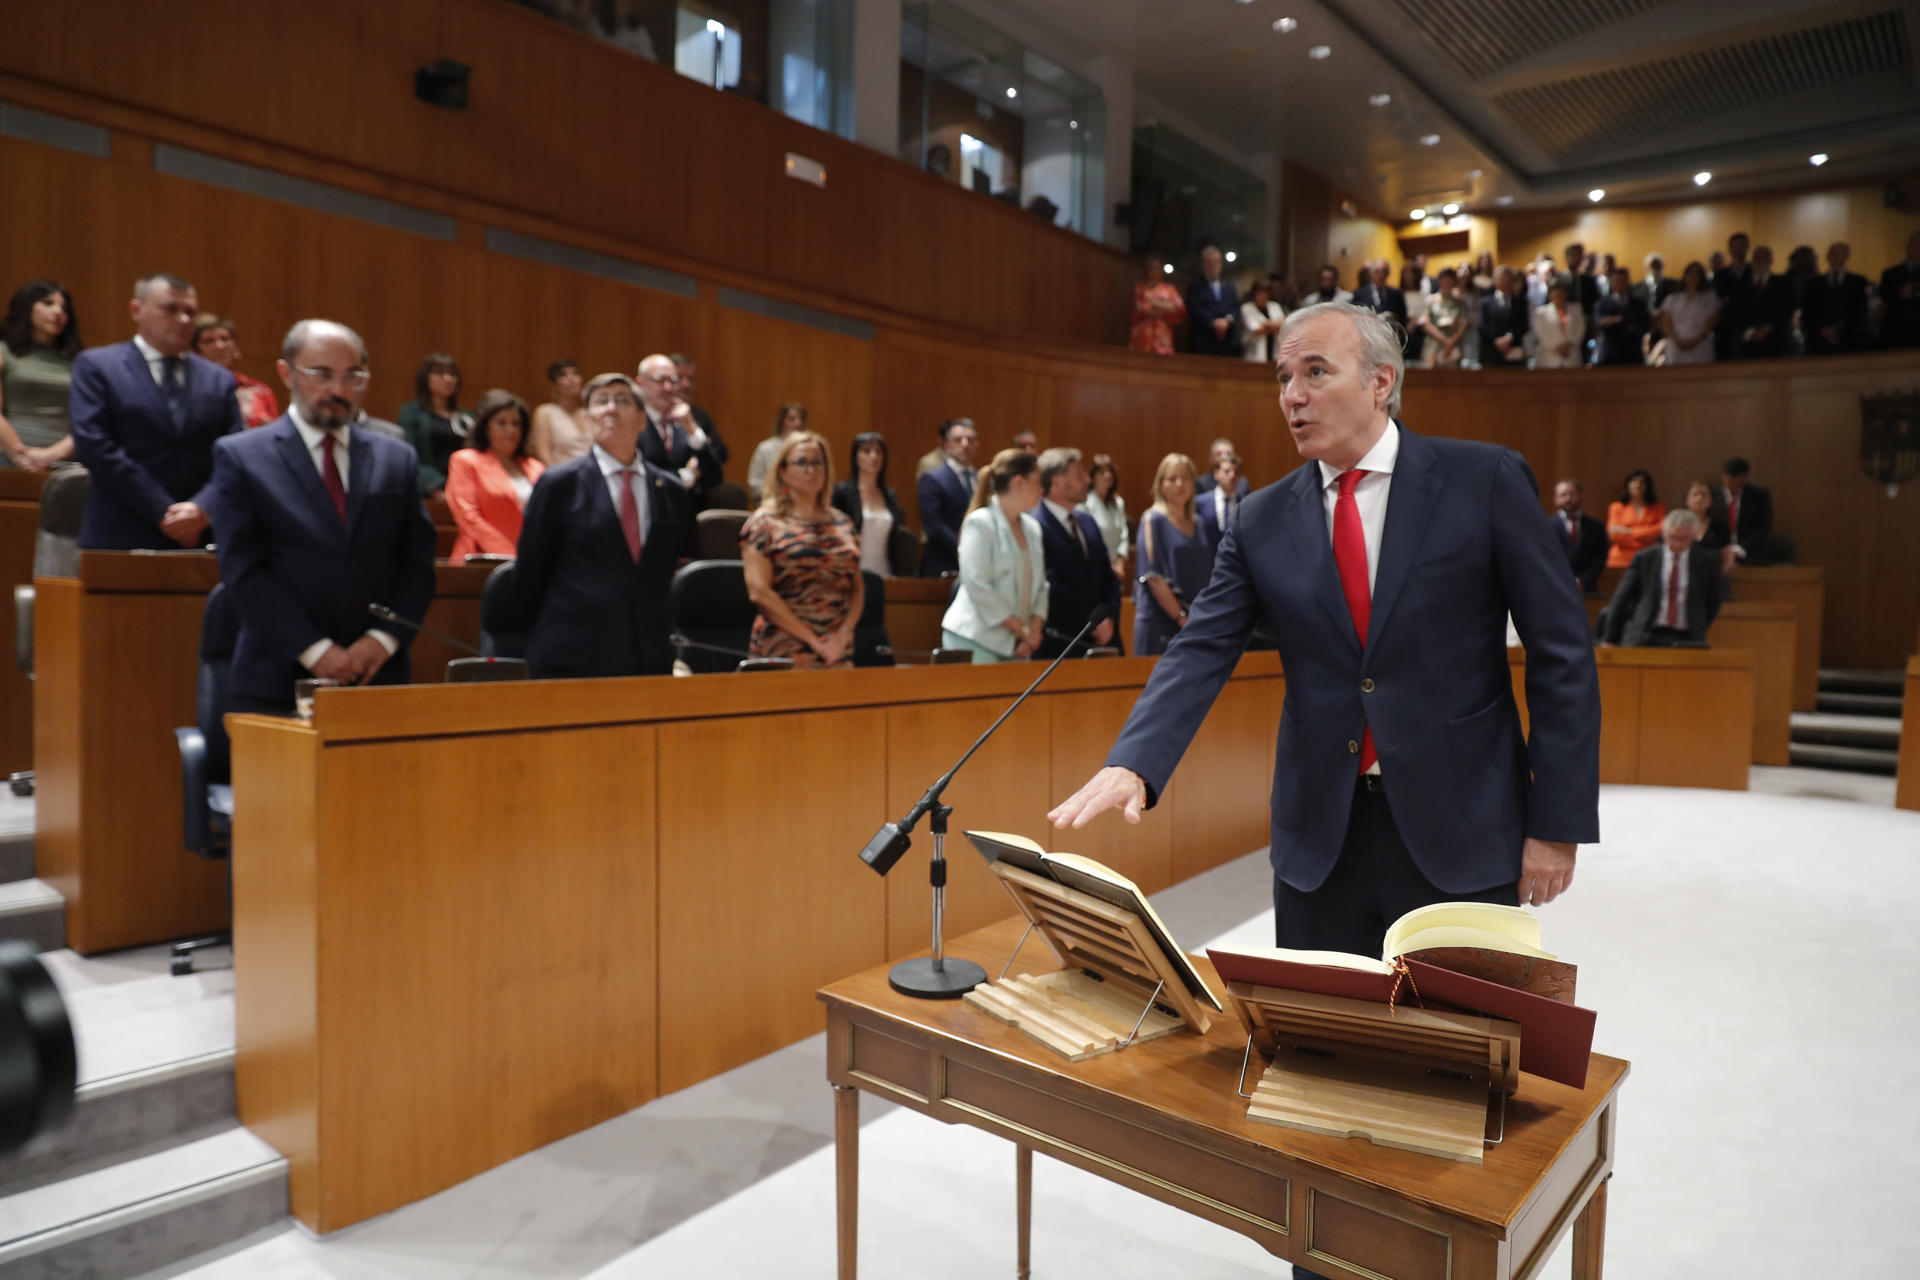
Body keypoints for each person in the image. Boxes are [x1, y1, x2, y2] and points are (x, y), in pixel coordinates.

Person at [1047, 305, 1600, 1134]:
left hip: (1463, 827)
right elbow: (1202, 648)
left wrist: (1554, 823)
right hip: (1321, 841)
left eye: (1315, 372)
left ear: (1381, 382)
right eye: (1281, 377)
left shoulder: (1483, 480)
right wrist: (1137, 759)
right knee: (1316, 1078)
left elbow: (1562, 652)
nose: (1292, 396)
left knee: (1456, 1084)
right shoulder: (1261, 519)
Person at [203, 319, 437, 714]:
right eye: (322, 375)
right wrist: (316, 650)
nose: (338, 391)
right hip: (276, 678)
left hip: (377, 676)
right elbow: (243, 570)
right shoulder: (242, 456)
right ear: (286, 373)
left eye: (353, 377)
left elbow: (417, 564)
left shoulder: (396, 456)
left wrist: (383, 640)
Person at [514, 372, 689, 679]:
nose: (611, 408)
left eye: (622, 400)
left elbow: (669, 570)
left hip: (648, 658)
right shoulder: (559, 484)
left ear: (642, 419)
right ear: (588, 418)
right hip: (572, 656)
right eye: (600, 402)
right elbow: (530, 572)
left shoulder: (670, 489)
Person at [69, 272, 243, 549]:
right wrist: (163, 510)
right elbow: (94, 445)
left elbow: (234, 454)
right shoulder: (98, 366)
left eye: (190, 312)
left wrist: (201, 509)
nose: (184, 320)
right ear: (136, 310)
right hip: (121, 530)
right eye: (171, 309)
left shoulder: (218, 379)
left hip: (200, 535)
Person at [741, 431, 862, 669]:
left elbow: (857, 588)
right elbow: (759, 592)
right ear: (782, 472)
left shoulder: (842, 523)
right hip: (784, 649)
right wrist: (814, 641)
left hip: (837, 651)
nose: (812, 470)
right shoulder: (764, 522)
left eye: (818, 462)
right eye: (802, 462)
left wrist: (845, 633)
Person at [939, 449, 1048, 662]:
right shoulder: (980, 523)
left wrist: (1033, 632)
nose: (1041, 490)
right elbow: (978, 585)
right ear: (1019, 482)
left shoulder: (1033, 528)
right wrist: (1023, 631)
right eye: (1037, 482)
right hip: (974, 638)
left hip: (1019, 644)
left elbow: (1042, 586)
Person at [1031, 447, 1119, 658]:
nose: (1088, 480)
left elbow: (1109, 578)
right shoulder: (1034, 525)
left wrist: (1110, 618)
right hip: (1060, 642)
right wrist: (1091, 623)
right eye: (1078, 474)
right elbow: (1051, 588)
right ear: (1056, 482)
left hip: (1104, 639)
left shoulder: (1088, 522)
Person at [445, 390, 546, 560]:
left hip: (531, 560)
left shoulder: (535, 467)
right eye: (501, 423)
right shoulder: (465, 461)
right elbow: (468, 517)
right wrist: (509, 556)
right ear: (486, 427)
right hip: (481, 559)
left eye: (516, 424)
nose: (510, 430)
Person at [1599, 509, 1723, 648]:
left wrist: (1698, 623)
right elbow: (1621, 598)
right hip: (1646, 634)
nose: (1677, 543)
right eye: (1672, 537)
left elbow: (1714, 600)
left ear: (1694, 536)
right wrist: (1610, 639)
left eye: (1684, 538)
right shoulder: (1645, 558)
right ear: (1664, 534)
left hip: (1688, 636)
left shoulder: (1708, 560)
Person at [1131, 452, 1212, 657]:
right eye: (1172, 478)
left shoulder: (1199, 523)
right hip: (1161, 623)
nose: (1179, 484)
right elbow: (1154, 578)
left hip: (1193, 623)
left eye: (1185, 478)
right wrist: (1181, 617)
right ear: (1161, 484)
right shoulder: (1152, 519)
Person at [0, 280, 82, 470]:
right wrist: (21, 454)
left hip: (65, 460)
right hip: (11, 459)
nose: (58, 312)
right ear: (26, 307)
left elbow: (88, 421)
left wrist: (50, 455)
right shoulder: (3, 351)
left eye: (64, 308)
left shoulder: (79, 360)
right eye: (48, 303)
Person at [635, 353, 723, 507]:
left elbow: (715, 476)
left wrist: (692, 429)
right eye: (659, 380)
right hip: (646, 511)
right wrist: (686, 477)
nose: (668, 388)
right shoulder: (632, 422)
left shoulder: (686, 420)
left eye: (673, 380)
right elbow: (640, 477)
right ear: (640, 382)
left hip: (685, 516)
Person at [830, 431, 906, 578]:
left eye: (878, 452)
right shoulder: (842, 492)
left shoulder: (890, 495)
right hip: (853, 573)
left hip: (886, 572)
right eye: (866, 451)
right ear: (856, 457)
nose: (874, 456)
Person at [396, 353, 471, 498]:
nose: (448, 379)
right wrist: (435, 488)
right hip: (429, 491)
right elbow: (408, 455)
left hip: (464, 490)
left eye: (452, 374)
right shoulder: (411, 412)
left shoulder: (466, 417)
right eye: (439, 373)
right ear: (426, 379)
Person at [191, 315, 279, 429]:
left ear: (236, 347)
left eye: (225, 339)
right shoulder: (189, 389)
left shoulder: (260, 390)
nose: (220, 346)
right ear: (196, 352)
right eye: (209, 341)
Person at [917, 416, 978, 577]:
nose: (965, 444)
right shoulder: (933, 478)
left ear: (976, 445)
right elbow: (934, 526)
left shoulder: (982, 479)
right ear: (947, 446)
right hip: (944, 564)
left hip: (978, 565)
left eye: (970, 440)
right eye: (958, 440)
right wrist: (964, 548)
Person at [667, 353, 730, 474]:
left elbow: (722, 453)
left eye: (690, 379)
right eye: (679, 378)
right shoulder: (652, 415)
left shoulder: (699, 415)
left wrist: (702, 443)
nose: (686, 385)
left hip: (698, 481)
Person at [1727, 246, 1794, 360]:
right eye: (1757, 257)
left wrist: (1767, 329)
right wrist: (1750, 332)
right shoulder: (1740, 286)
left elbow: (1786, 310)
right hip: (1745, 344)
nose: (1761, 260)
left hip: (1775, 342)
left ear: (1771, 260)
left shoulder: (1783, 283)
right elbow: (1733, 312)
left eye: (1765, 257)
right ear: (1752, 260)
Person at [1802, 242, 1868, 355]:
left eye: (1841, 254)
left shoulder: (1858, 281)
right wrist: (1823, 330)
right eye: (1834, 253)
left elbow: (1860, 311)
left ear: (1847, 256)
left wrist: (1839, 330)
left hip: (1848, 339)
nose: (1837, 257)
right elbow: (1808, 311)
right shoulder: (1814, 282)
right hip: (1818, 341)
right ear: (1827, 256)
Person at [527, 359, 593, 466]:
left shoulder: (590, 413)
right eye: (563, 375)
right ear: (554, 385)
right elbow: (543, 454)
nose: (571, 379)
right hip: (561, 476)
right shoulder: (545, 412)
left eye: (575, 374)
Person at [1552, 479, 1608, 593]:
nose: (1568, 499)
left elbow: (1600, 557)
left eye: (1572, 494)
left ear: (1580, 495)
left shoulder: (1596, 526)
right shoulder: (1545, 526)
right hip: (1555, 587)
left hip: (1587, 589)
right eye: (1563, 495)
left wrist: (1583, 581)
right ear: (1555, 499)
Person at [1719, 456, 1776, 567]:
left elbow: (1763, 527)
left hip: (1749, 552)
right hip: (1720, 553)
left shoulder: (1759, 496)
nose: (1728, 482)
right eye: (1726, 477)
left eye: (1733, 479)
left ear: (1743, 478)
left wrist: (1738, 550)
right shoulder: (1714, 496)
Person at [1079, 453, 1129, 577]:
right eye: (1102, 472)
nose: (1108, 475)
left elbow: (1124, 536)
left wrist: (1120, 564)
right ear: (1093, 476)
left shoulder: (1118, 503)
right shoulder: (1084, 504)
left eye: (1110, 471)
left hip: (1116, 570)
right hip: (1093, 569)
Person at [1659, 262, 1719, 366]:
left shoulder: (1710, 297)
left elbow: (1712, 321)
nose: (1693, 277)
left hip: (1700, 344)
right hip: (1676, 345)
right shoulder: (1673, 298)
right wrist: (1677, 340)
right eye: (1690, 273)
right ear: (1685, 276)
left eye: (1697, 274)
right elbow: (1666, 323)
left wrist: (1696, 340)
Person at [1183, 246, 1239, 357]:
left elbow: (1235, 308)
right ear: (1203, 264)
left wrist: (1227, 321)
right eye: (1209, 262)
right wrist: (1213, 323)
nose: (1213, 265)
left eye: (1216, 262)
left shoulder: (1229, 286)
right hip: (1203, 341)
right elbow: (1194, 308)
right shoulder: (1195, 286)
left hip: (1226, 342)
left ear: (1221, 264)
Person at [1605, 469, 1664, 568]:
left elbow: (1660, 530)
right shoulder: (1616, 507)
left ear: (1647, 486)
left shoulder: (1658, 507)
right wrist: (1646, 537)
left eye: (1642, 482)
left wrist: (1630, 531)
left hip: (1649, 557)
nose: (1637, 485)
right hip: (1620, 559)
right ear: (1627, 485)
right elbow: (1614, 535)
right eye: (1634, 482)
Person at [1128, 256, 1186, 356]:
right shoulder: (1140, 289)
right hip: (1143, 336)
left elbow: (1178, 308)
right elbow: (1144, 309)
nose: (1153, 271)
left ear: (1161, 270)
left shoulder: (1169, 289)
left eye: (1156, 268)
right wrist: (1166, 306)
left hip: (1162, 336)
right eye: (1150, 268)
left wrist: (1154, 302)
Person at [1591, 267, 1648, 367]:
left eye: (1623, 280)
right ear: (1612, 283)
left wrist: (1616, 320)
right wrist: (1626, 321)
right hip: (1609, 355)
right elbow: (1600, 323)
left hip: (1633, 354)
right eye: (1617, 281)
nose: (1620, 284)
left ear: (1629, 282)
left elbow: (1642, 323)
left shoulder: (1639, 304)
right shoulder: (1602, 304)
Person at [749, 402, 807, 496]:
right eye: (792, 419)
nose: (798, 423)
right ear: (781, 422)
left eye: (801, 419)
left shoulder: (809, 449)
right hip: (771, 500)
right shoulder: (765, 448)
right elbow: (754, 485)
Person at [1419, 269, 1473, 368]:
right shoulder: (1431, 300)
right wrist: (1445, 340)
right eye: (1445, 279)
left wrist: (1451, 342)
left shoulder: (1460, 302)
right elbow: (1425, 323)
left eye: (1450, 279)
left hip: (1453, 345)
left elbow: (1465, 324)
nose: (1447, 282)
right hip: (1434, 344)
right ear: (1439, 281)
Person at [1477, 267, 1529, 367]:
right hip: (1491, 355)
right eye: (1502, 277)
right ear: (1495, 280)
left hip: (1513, 353)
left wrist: (1509, 338)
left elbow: (1523, 325)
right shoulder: (1486, 302)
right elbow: (1482, 326)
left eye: (1508, 277)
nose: (1505, 280)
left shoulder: (1520, 302)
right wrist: (1498, 341)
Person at [1683, 479, 1736, 573]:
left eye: (1704, 494)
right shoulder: (1677, 525)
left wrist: (1720, 575)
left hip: (1712, 576)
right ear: (1687, 500)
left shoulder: (1720, 527)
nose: (1699, 498)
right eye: (1695, 494)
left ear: (1711, 500)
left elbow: (1729, 556)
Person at [1878, 230, 1920, 348]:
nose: (1918, 250)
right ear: (1907, 247)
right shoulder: (1890, 273)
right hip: (1896, 328)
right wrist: (1900, 295)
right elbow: (1884, 296)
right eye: (1915, 245)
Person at [1531, 279, 1585, 370]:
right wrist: (1556, 347)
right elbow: (1541, 333)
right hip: (1549, 360)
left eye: (1562, 291)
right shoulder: (1541, 312)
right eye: (1555, 291)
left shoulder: (1576, 309)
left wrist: (1568, 344)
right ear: (1550, 293)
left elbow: (1581, 328)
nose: (1559, 294)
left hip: (1571, 357)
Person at [1197, 453, 1242, 549]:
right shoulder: (1200, 502)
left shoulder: (1244, 504)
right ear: (1216, 473)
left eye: (1236, 472)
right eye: (1227, 471)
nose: (1232, 475)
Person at [1350, 260, 1407, 331]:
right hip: (1367, 332)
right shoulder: (1360, 293)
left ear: (1387, 274)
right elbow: (1354, 316)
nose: (1380, 275)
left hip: (1390, 334)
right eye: (1376, 271)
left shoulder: (1397, 294)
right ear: (1371, 274)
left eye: (1383, 271)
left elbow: (1402, 318)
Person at [1239, 278, 1285, 364]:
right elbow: (1257, 330)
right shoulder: (1247, 308)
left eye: (1265, 293)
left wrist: (1267, 324)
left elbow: (1284, 324)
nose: (1263, 296)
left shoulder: (1274, 306)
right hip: (1254, 356)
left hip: (1274, 355)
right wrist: (1275, 326)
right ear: (1254, 294)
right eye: (1260, 293)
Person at [1399, 263, 1429, 364]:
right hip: (1401, 328)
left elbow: (1423, 312)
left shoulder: (1422, 294)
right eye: (1406, 274)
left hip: (1417, 329)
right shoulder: (1399, 293)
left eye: (1411, 274)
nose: (1408, 277)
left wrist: (1413, 323)